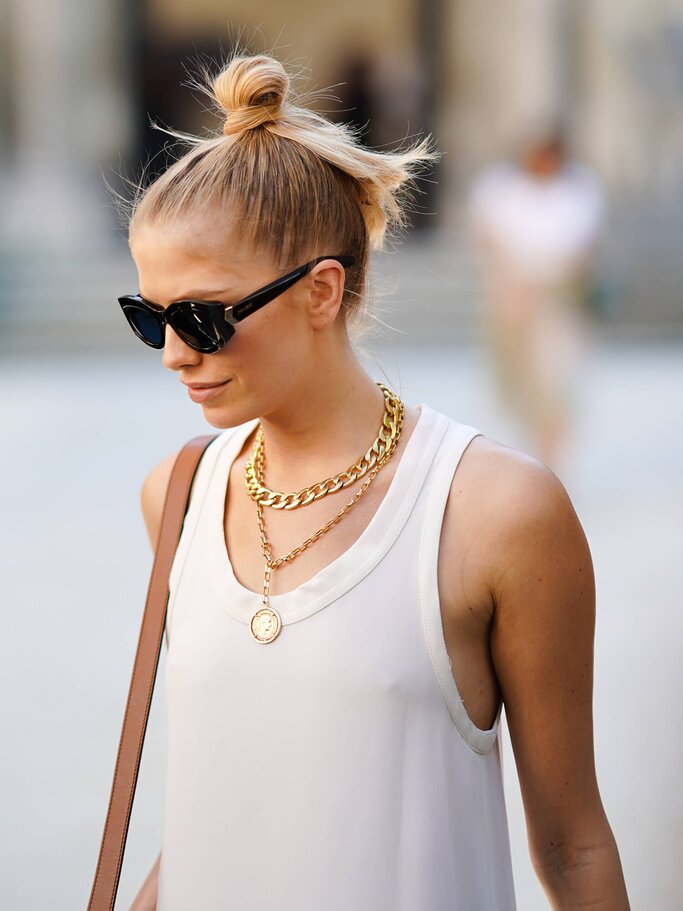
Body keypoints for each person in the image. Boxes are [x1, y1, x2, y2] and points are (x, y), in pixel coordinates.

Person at [117, 53, 629, 910]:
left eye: (203, 318)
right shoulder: (174, 497)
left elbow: (573, 845)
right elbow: (228, 793)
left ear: (321, 291)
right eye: (149, 319)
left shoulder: (496, 512)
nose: (175, 353)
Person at [468, 130, 607, 476]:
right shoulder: (500, 188)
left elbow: (583, 251)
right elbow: (488, 240)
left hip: (557, 304)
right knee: (515, 389)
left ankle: (551, 462)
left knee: (555, 387)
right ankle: (525, 463)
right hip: (512, 301)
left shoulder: (578, 191)